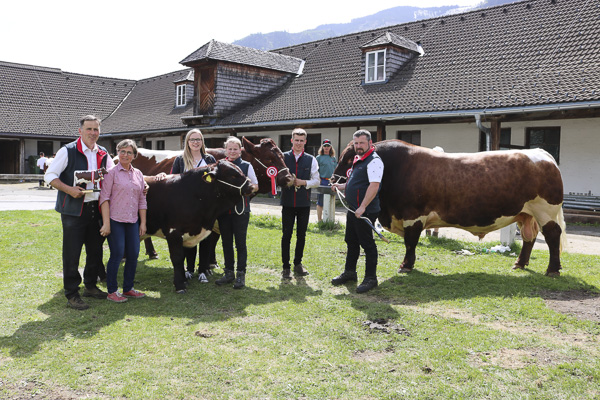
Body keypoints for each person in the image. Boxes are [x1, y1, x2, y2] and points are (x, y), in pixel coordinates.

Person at [45, 115, 115, 310]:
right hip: (73, 210)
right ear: (80, 131)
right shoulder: (67, 151)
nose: (93, 133)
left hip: (96, 208)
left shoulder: (103, 152)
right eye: (89, 129)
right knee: (72, 253)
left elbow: (114, 175)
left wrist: (141, 182)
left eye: (96, 130)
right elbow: (49, 175)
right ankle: (72, 294)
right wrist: (69, 189)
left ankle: (90, 286)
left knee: (95, 250)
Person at [331, 129, 384, 293]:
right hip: (354, 209)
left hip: (364, 211)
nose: (358, 146)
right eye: (356, 143)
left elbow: (374, 186)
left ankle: (371, 278)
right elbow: (355, 182)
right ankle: (350, 272)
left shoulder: (374, 161)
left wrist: (363, 207)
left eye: (361, 143)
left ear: (369, 143)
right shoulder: (359, 159)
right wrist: (341, 186)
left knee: (367, 244)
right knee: (351, 241)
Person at [99, 139, 147, 303]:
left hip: (132, 221)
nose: (125, 155)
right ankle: (112, 291)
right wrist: (106, 223)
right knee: (117, 254)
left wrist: (143, 223)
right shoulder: (111, 173)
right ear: (117, 153)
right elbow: (104, 198)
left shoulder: (138, 174)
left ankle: (128, 288)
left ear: (134, 155)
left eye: (129, 152)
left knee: (133, 254)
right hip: (115, 220)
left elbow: (142, 200)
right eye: (122, 151)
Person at [170, 129, 217, 282]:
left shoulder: (209, 158)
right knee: (189, 238)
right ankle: (189, 269)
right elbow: (173, 179)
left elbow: (215, 182)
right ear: (187, 142)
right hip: (186, 206)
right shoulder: (180, 159)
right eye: (192, 139)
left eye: (198, 139)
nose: (195, 142)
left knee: (205, 237)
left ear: (202, 141)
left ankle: (203, 269)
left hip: (206, 205)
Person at [215, 137, 258, 289]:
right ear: (225, 150)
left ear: (240, 150)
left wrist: (246, 191)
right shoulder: (220, 166)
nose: (232, 152)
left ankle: (241, 274)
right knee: (226, 242)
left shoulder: (246, 166)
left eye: (235, 149)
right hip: (224, 210)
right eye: (230, 149)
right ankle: (228, 273)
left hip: (241, 210)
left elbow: (255, 185)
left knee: (240, 243)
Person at [280, 128, 320, 279]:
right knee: (286, 235)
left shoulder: (312, 159)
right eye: (296, 140)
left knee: (301, 235)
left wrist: (303, 182)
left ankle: (298, 264)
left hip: (304, 203)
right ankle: (285, 267)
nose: (298, 143)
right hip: (288, 203)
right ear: (292, 140)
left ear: (305, 142)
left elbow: (316, 181)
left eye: (301, 140)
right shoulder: (283, 157)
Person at [315, 139, 337, 222]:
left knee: (331, 199)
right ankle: (320, 220)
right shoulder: (319, 157)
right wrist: (318, 178)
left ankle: (330, 219)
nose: (326, 147)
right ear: (322, 147)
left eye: (328, 146)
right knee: (320, 202)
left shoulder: (333, 158)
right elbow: (315, 170)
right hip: (322, 181)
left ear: (331, 147)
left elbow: (335, 169)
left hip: (331, 181)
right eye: (325, 146)